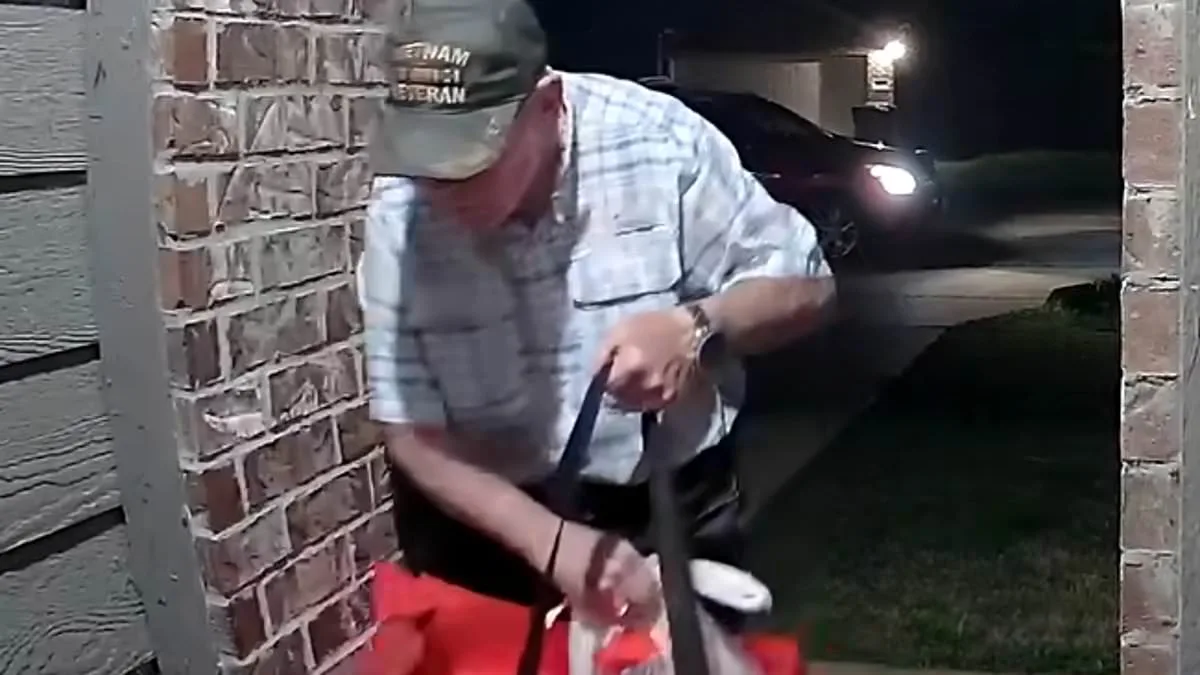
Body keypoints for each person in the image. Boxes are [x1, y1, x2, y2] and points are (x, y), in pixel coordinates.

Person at [359, 0, 835, 632]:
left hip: (664, 507)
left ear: (547, 107)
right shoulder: (400, 209)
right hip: (485, 524)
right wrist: (553, 541)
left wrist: (696, 326)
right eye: (423, 163)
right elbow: (411, 433)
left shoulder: (659, 142)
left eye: (469, 162)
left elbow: (809, 288)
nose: (440, 194)